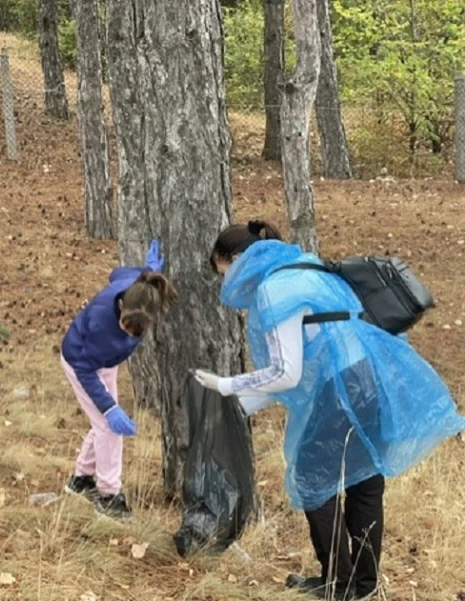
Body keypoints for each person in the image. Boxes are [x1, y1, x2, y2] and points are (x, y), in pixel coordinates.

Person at [194, 221, 465, 600]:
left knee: (311, 480)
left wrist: (229, 385)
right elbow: (311, 353)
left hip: (342, 390)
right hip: (372, 378)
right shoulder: (307, 266)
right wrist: (248, 402)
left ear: (237, 259)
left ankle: (338, 584)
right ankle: (365, 587)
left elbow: (287, 373)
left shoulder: (275, 289)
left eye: (224, 272)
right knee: (365, 482)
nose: (230, 284)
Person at [61, 241, 179, 520]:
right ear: (121, 304)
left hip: (104, 363)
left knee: (102, 425)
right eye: (126, 326)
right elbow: (84, 370)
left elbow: (117, 272)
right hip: (80, 362)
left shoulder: (139, 291)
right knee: (108, 426)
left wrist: (148, 270)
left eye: (137, 331)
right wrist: (109, 407)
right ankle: (108, 495)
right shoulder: (102, 323)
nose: (129, 334)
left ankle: (82, 479)